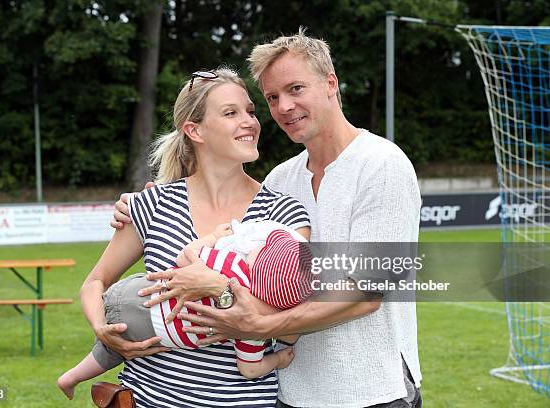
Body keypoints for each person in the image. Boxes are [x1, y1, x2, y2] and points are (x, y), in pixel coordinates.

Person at [112, 29, 422, 407]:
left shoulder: (382, 165)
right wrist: (146, 201)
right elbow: (222, 232)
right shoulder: (281, 181)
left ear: (330, 84)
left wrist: (258, 325)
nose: (284, 107)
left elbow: (368, 294)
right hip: (291, 392)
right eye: (273, 97)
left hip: (372, 390)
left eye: (295, 89)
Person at [80, 67, 325, 408]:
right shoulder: (151, 204)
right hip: (150, 399)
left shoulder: (283, 214)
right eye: (231, 113)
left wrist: (219, 290)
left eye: (250, 112)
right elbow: (95, 282)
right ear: (194, 130)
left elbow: (291, 327)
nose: (250, 122)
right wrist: (101, 329)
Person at [58, 220, 312, 399]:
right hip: (149, 331)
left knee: (116, 342)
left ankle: (70, 377)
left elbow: (185, 256)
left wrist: (213, 238)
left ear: (257, 258)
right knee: (115, 350)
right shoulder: (252, 325)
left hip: (136, 292)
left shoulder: (230, 263)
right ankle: (72, 377)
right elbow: (250, 369)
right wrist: (278, 359)